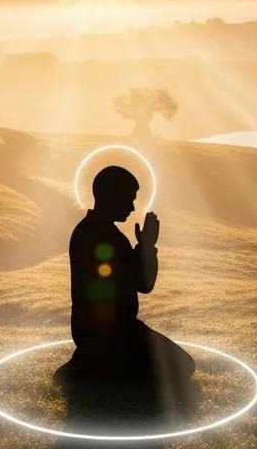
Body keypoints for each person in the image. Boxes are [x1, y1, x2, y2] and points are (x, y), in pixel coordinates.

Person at [58, 164, 195, 391]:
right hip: (111, 334)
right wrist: (147, 246)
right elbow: (143, 283)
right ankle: (92, 368)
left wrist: (143, 247)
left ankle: (93, 366)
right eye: (128, 199)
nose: (132, 208)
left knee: (180, 366)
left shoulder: (95, 232)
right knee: (181, 367)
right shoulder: (102, 237)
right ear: (110, 196)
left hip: (109, 331)